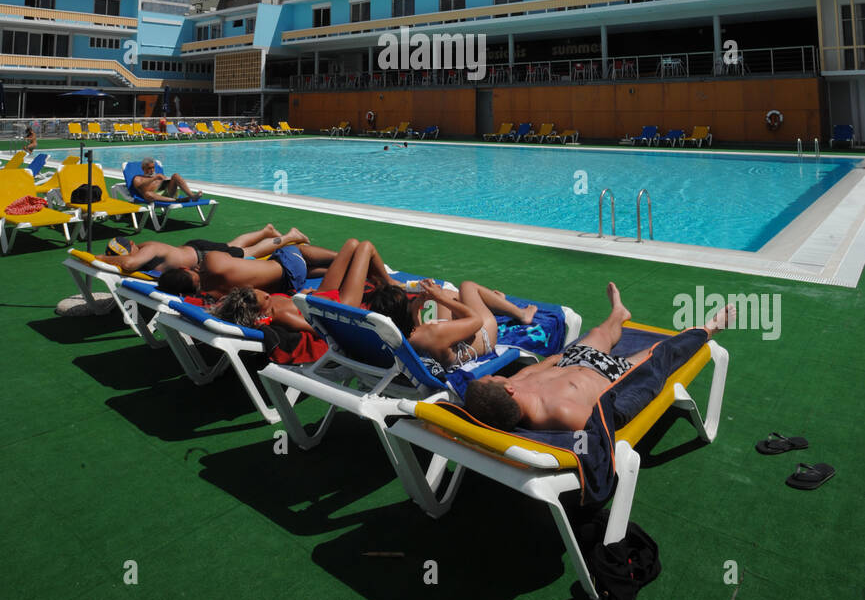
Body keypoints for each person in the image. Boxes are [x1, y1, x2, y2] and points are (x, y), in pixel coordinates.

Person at [463, 283, 734, 432]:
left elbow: (538, 368)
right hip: (613, 374)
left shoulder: (516, 386)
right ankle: (709, 328)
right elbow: (604, 424)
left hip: (576, 360)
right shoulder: (560, 414)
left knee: (600, 331)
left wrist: (562, 357)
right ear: (507, 390)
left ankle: (619, 312)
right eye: (494, 378)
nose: (498, 374)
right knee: (662, 352)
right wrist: (636, 381)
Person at [365, 270, 541, 369]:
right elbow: (476, 321)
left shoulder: (393, 334)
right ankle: (521, 314)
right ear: (403, 314)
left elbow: (418, 332)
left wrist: (417, 306)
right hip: (483, 339)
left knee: (451, 296)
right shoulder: (432, 332)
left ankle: (491, 302)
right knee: (467, 287)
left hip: (446, 348)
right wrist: (441, 298)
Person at [156, 226, 339, 298]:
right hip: (289, 265)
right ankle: (342, 257)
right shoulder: (211, 261)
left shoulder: (211, 298)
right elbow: (231, 257)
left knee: (299, 266)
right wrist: (202, 266)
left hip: (288, 286)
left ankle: (340, 268)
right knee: (296, 250)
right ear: (183, 268)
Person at [100, 223, 309, 276]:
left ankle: (291, 236)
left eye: (128, 252)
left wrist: (99, 258)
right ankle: (266, 230)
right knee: (232, 246)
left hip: (203, 255)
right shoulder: (142, 250)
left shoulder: (148, 249)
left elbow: (129, 263)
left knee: (248, 253)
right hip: (196, 250)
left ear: (133, 246)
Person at [130, 158, 203, 202]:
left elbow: (168, 181)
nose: (152, 170)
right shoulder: (137, 178)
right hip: (154, 196)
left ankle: (192, 196)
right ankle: (176, 201)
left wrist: (167, 180)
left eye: (153, 167)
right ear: (143, 168)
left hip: (167, 192)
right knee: (147, 194)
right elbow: (140, 185)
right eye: (149, 168)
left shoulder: (158, 175)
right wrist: (154, 178)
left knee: (175, 175)